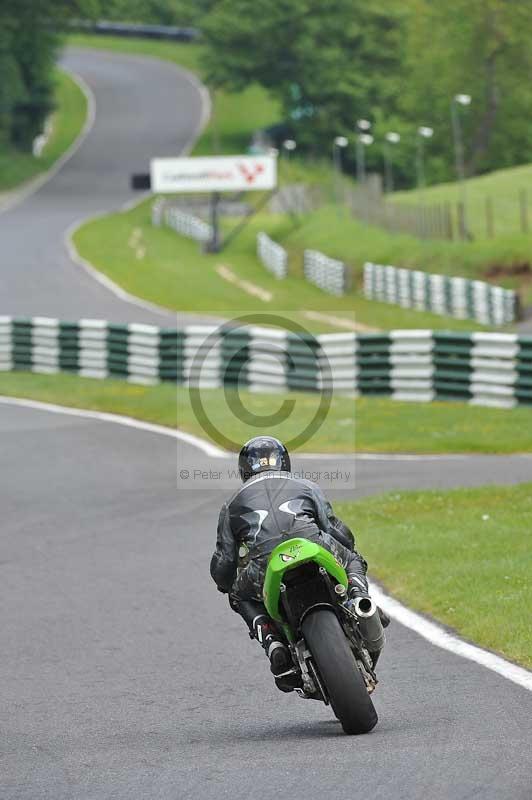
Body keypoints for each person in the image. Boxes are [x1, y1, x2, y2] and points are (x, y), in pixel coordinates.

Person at [210, 435, 386, 689]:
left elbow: (224, 561)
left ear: (244, 469)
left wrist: (225, 583)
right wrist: (348, 548)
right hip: (313, 545)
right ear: (284, 462)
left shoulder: (232, 504)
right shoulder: (306, 486)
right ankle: (359, 599)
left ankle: (273, 642)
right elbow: (334, 529)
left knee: (239, 595)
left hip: (265, 562)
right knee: (353, 559)